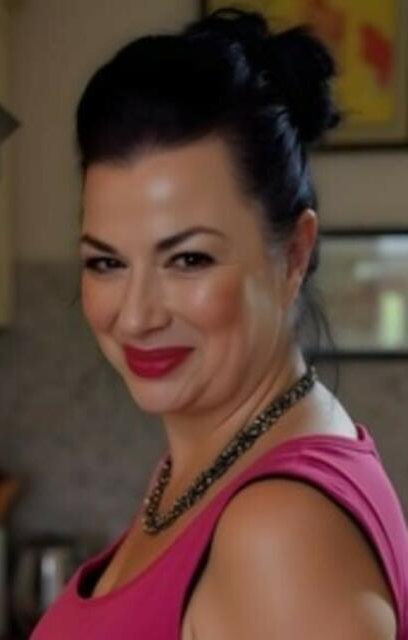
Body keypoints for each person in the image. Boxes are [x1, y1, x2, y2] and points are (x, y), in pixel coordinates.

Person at [31, 7, 408, 639]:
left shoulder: (280, 533)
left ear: (294, 254)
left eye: (189, 259)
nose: (136, 315)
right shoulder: (211, 470)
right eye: (106, 262)